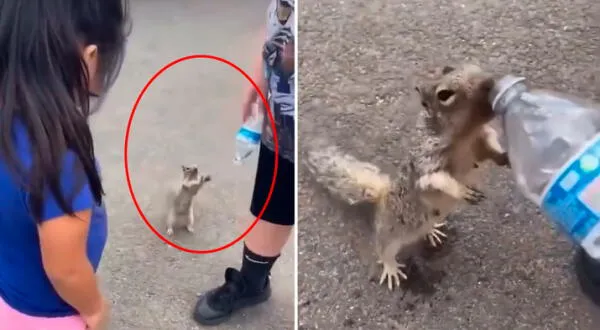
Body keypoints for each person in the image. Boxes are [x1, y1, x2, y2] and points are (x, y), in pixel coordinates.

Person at [0, 1, 130, 329]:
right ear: (89, 58)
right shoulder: (58, 159)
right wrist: (95, 306)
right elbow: (66, 269)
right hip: (47, 317)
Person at [193, 0, 296, 326]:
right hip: (283, 107)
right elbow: (281, 17)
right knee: (276, 192)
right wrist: (261, 75)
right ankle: (252, 282)